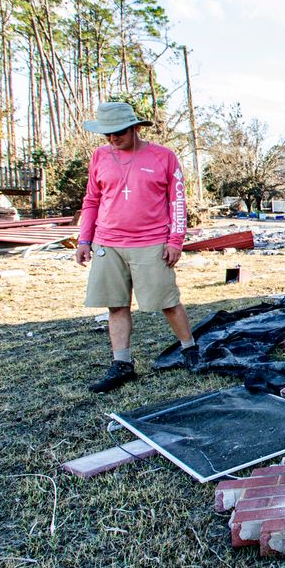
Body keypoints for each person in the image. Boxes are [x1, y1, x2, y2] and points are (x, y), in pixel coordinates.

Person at [75, 101, 199, 393]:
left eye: (117, 132)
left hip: (151, 241)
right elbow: (91, 200)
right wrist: (84, 239)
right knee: (116, 304)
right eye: (106, 134)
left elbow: (177, 202)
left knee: (167, 301)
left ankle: (190, 350)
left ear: (134, 128)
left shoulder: (163, 157)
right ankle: (122, 364)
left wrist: (175, 240)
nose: (112, 139)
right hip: (108, 242)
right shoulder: (100, 156)